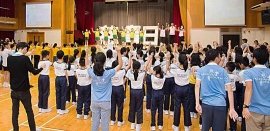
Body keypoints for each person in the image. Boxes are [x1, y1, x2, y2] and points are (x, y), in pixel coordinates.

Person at [195, 49, 238, 131]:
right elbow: (229, 89)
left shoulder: (201, 70)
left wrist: (197, 103)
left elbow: (197, 86)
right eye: (219, 56)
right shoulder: (223, 71)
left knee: (205, 129)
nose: (220, 58)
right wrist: (232, 108)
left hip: (206, 105)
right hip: (220, 105)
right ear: (216, 58)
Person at [7, 42, 45, 131]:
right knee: (29, 111)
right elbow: (34, 72)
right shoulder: (25, 59)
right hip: (24, 90)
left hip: (14, 90)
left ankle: (15, 129)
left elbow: (10, 70)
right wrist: (41, 68)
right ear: (24, 49)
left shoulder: (10, 58)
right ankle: (33, 129)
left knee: (15, 113)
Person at [88, 46, 122, 131]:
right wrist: (118, 52)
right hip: (105, 101)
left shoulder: (92, 73)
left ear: (95, 61)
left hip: (94, 101)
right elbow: (120, 65)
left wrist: (85, 54)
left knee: (95, 122)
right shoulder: (108, 73)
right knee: (105, 123)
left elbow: (86, 65)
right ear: (105, 62)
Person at [243, 45, 270, 131]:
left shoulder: (248, 72)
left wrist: (245, 107)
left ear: (254, 59)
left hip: (254, 111)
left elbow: (249, 89)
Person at [168, 53, 192, 131]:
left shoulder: (175, 70)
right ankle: (187, 126)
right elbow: (189, 66)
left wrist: (169, 59)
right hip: (186, 89)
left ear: (179, 61)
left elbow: (168, 68)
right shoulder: (188, 69)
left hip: (178, 88)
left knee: (177, 107)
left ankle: (176, 125)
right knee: (186, 107)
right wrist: (189, 60)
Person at [110, 52, 131, 126]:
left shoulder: (110, 72)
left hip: (112, 88)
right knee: (120, 105)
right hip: (119, 89)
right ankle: (120, 121)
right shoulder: (122, 71)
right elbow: (128, 65)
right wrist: (130, 56)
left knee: (112, 105)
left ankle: (112, 120)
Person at [126, 60, 145, 131]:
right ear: (140, 67)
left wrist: (131, 62)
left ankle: (132, 124)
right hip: (139, 92)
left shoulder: (129, 73)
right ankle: (138, 125)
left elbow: (131, 70)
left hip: (132, 91)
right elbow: (145, 67)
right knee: (139, 108)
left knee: (132, 106)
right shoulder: (142, 73)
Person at [53, 50, 69, 115]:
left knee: (58, 93)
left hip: (57, 78)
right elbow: (66, 73)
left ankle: (58, 108)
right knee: (63, 93)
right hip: (62, 78)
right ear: (63, 56)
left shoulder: (54, 63)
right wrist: (67, 80)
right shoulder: (64, 64)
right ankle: (62, 109)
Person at [224, 62, 237, 131]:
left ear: (227, 68)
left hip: (226, 93)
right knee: (233, 110)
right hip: (233, 94)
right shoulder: (235, 76)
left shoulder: (225, 76)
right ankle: (233, 128)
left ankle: (223, 127)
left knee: (224, 111)